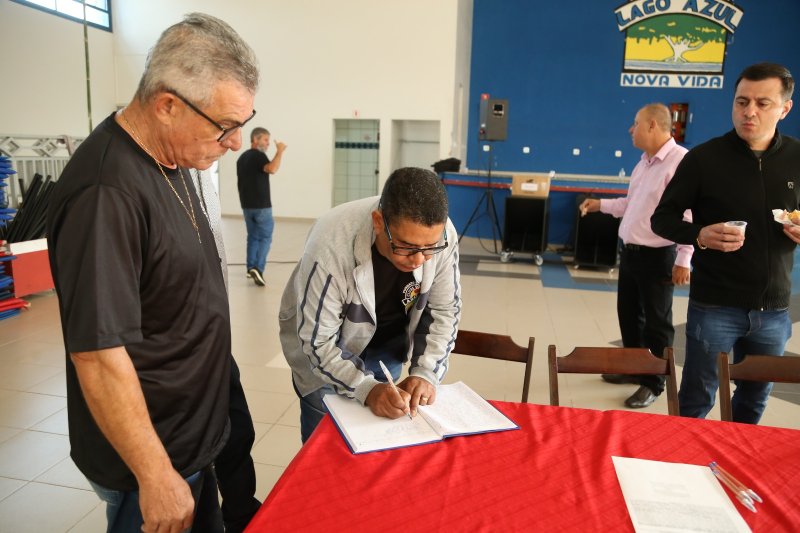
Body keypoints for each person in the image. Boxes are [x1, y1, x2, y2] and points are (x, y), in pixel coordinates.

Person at [46, 13, 259, 532]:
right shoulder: (106, 195)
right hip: (154, 455)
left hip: (194, 429)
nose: (235, 142)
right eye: (225, 126)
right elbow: (97, 354)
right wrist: (155, 474)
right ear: (167, 106)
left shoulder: (175, 156)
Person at [651, 62, 800, 424]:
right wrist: (699, 235)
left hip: (774, 310)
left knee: (754, 399)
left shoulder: (797, 157)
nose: (749, 111)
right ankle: (685, 457)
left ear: (784, 108)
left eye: (763, 103)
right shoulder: (704, 159)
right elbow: (662, 218)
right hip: (714, 306)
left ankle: (735, 458)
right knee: (696, 398)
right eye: (741, 101)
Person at [278, 167, 462, 443]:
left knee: (379, 442)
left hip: (387, 346)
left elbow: (444, 310)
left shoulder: (441, 235)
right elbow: (318, 342)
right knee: (328, 450)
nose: (419, 260)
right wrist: (367, 388)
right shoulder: (330, 244)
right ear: (378, 222)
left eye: (429, 249)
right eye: (406, 247)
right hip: (325, 359)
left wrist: (426, 373)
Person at [579, 103, 692, 409]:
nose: (631, 129)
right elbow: (632, 204)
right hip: (630, 254)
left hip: (659, 256)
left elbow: (690, 213)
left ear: (653, 125)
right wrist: (600, 205)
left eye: (636, 123)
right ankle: (633, 368)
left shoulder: (680, 162)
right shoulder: (644, 163)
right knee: (629, 317)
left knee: (657, 324)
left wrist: (684, 258)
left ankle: (654, 382)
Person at [189, 168, 261, 533]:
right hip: (182, 349)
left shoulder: (199, 172)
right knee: (196, 453)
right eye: (223, 137)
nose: (233, 143)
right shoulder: (146, 179)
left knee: (238, 431)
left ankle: (242, 514)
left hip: (214, 334)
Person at [237, 128, 287, 287]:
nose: (268, 144)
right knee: (265, 238)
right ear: (255, 139)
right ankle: (258, 269)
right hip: (261, 207)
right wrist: (280, 151)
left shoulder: (242, 158)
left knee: (252, 236)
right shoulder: (258, 156)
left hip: (247, 206)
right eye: (265, 140)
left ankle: (250, 267)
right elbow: (272, 168)